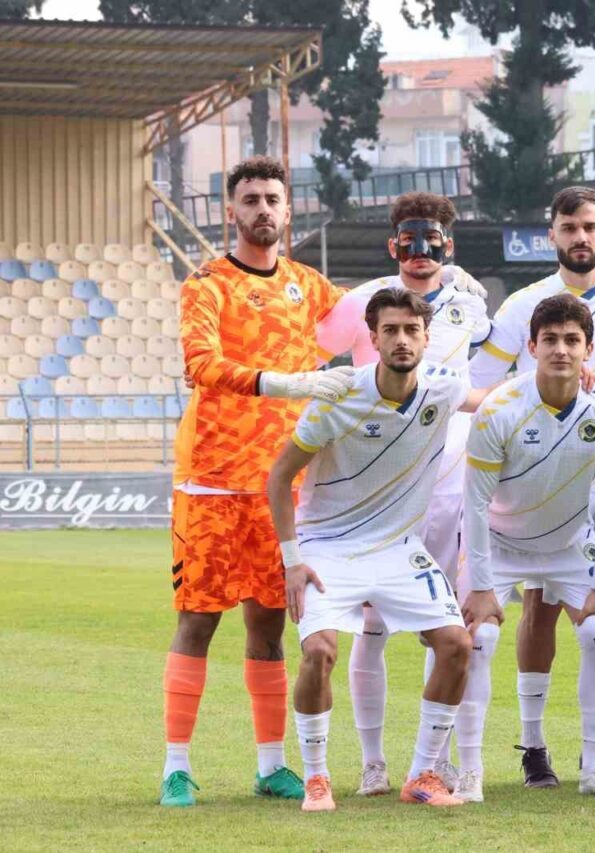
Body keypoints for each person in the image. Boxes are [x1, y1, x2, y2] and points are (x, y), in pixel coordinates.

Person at [160, 156, 356, 807]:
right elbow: (200, 362)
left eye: (273, 198)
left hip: (282, 485)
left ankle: (271, 764)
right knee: (197, 622)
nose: (263, 209)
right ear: (231, 211)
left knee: (269, 628)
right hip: (212, 479)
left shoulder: (308, 285)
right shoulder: (207, 283)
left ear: (288, 210)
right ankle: (176, 767)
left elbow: (373, 320)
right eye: (251, 199)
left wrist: (442, 283)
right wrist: (287, 382)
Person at [468, 186, 595, 789]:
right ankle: (533, 747)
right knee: (540, 605)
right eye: (569, 227)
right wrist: (536, 403)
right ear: (551, 234)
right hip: (537, 472)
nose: (580, 237)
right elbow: (479, 383)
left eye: (590, 226)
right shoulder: (523, 305)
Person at [265, 288, 473, 811]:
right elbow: (280, 477)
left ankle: (422, 775)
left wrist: (575, 375)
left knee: (457, 644)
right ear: (373, 338)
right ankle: (317, 778)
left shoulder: (444, 389)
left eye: (411, 330)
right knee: (319, 652)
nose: (402, 340)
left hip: (399, 547)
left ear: (426, 338)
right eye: (390, 330)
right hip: (328, 545)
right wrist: (292, 562)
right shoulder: (338, 396)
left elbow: (503, 399)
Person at [315, 192, 494, 797]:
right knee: (372, 627)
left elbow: (492, 370)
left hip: (450, 485)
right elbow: (312, 353)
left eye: (433, 241)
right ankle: (373, 763)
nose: (421, 252)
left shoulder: (471, 305)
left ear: (449, 245)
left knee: (450, 625)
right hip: (378, 486)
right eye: (409, 241)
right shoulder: (362, 301)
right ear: (393, 245)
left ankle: (437, 761)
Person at [461, 293, 595, 801]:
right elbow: (474, 506)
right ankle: (470, 771)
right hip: (500, 543)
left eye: (572, 340)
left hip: (567, 544)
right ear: (532, 346)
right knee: (478, 639)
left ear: (588, 349)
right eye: (551, 340)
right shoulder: (498, 410)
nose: (561, 349)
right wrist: (480, 586)